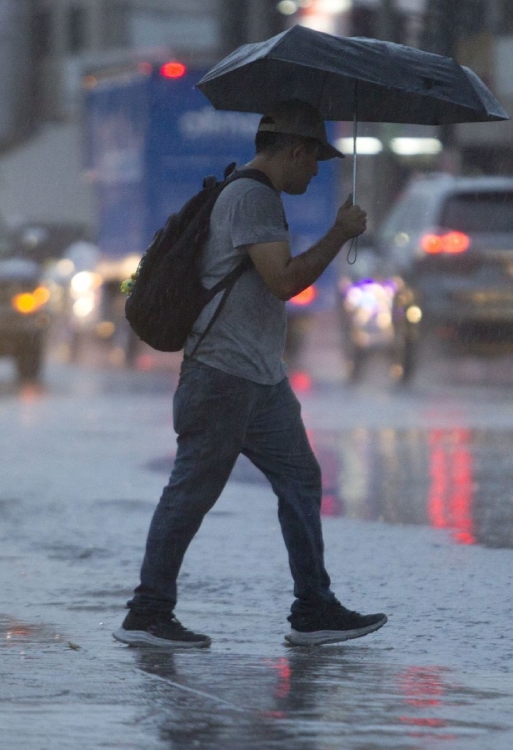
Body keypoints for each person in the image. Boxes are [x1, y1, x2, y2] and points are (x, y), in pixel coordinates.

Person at [113, 100, 387, 648]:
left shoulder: (251, 195)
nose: (316, 172)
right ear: (295, 150)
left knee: (301, 480)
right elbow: (284, 281)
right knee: (191, 492)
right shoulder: (252, 198)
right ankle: (147, 612)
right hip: (222, 376)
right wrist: (338, 234)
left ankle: (313, 607)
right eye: (314, 161)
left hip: (259, 379)